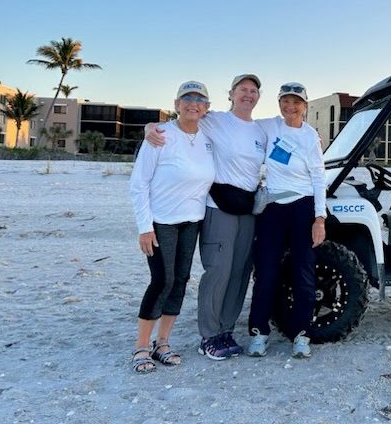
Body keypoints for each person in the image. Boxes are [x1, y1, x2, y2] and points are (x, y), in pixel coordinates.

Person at [145, 74, 266, 360]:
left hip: (247, 210)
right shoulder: (215, 120)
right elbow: (178, 122)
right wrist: (149, 126)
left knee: (239, 272)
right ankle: (209, 335)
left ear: (258, 96)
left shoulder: (262, 131)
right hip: (218, 207)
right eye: (242, 90)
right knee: (219, 270)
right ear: (231, 94)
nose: (248, 95)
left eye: (253, 90)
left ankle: (226, 330)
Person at [129, 81, 215, 373]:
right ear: (177, 103)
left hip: (192, 221)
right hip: (160, 222)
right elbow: (138, 183)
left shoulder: (208, 137)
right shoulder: (161, 135)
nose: (193, 103)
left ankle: (162, 342)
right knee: (161, 281)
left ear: (207, 107)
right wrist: (144, 227)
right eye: (187, 98)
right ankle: (141, 346)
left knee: (180, 280)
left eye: (200, 99)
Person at [247, 82, 326, 359]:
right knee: (266, 272)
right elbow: (236, 123)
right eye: (285, 101)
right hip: (273, 208)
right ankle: (259, 332)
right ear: (279, 103)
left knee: (303, 272)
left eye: (296, 102)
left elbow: (318, 178)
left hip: (302, 207)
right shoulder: (269, 127)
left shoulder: (310, 137)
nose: (290, 107)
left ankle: (301, 335)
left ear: (305, 105)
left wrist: (319, 218)